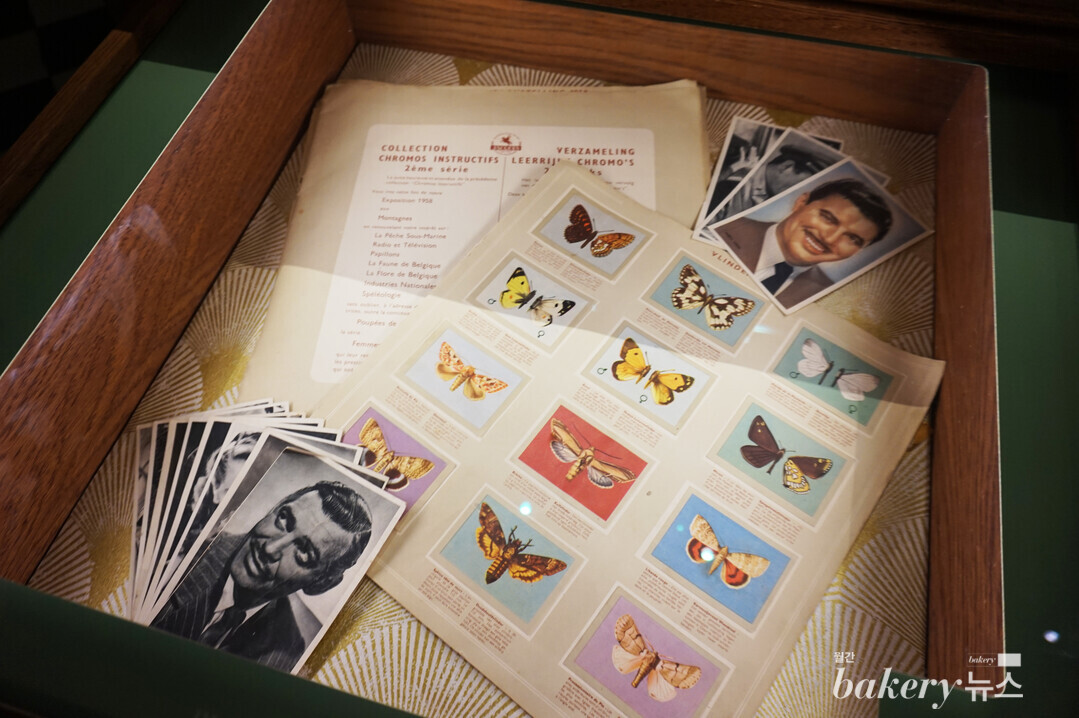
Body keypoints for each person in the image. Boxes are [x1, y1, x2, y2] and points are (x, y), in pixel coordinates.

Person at [151, 480, 372, 671]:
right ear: (273, 509)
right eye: (283, 519)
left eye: (304, 552)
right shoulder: (179, 552)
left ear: (322, 584)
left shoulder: (288, 653)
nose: (270, 548)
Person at [715, 178, 892, 309]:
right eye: (828, 218)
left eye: (852, 239)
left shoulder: (829, 298)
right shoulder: (721, 228)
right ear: (801, 203)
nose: (829, 239)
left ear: (859, 251)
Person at [714, 145, 833, 221]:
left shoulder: (770, 200)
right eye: (801, 185)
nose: (801, 194)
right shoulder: (735, 180)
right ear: (786, 167)